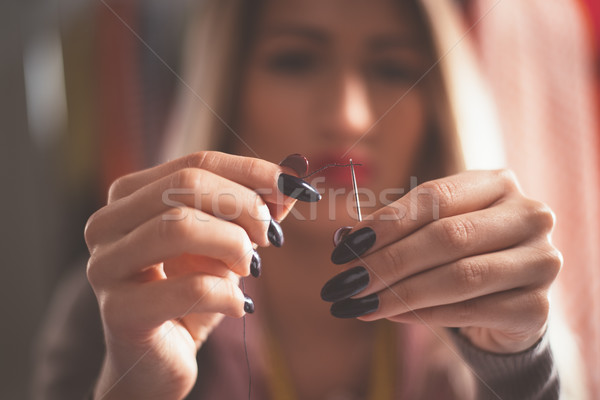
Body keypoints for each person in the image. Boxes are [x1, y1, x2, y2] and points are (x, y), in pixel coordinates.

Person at [32, 0, 563, 399]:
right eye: (296, 61)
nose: (348, 116)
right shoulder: (117, 315)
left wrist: (516, 369)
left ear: (437, 107)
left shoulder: (500, 311)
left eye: (392, 68)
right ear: (229, 91)